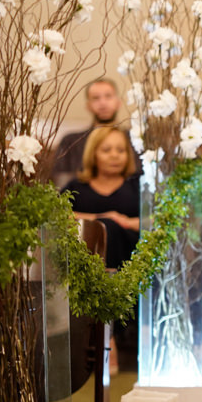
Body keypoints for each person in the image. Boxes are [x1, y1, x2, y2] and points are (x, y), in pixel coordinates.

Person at [61, 126, 141, 370]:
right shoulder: (77, 186)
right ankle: (108, 335)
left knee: (110, 228)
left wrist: (124, 221)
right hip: (87, 262)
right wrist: (100, 217)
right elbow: (58, 215)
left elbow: (156, 220)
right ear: (93, 154)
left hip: (131, 256)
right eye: (107, 150)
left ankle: (107, 333)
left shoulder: (137, 185)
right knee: (103, 227)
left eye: (120, 150)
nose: (115, 155)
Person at [52, 78, 126, 188]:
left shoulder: (135, 140)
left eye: (108, 96)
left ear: (119, 102)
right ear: (88, 106)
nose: (103, 103)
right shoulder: (71, 141)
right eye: (96, 98)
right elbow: (61, 184)